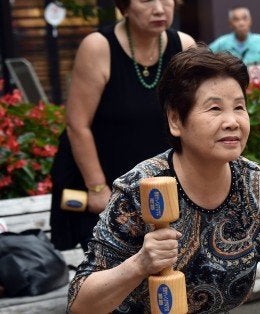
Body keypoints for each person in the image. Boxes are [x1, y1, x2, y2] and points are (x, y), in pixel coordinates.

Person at [67, 46, 260, 313]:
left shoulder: (259, 184)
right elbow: (80, 303)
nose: (232, 121)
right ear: (176, 120)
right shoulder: (140, 189)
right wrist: (140, 263)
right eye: (215, 108)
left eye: (239, 107)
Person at [49, 0, 195, 252]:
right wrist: (97, 189)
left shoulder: (184, 46)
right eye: (147, 0)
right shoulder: (98, 46)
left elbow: (192, 118)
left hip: (159, 189)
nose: (159, 8)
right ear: (124, 6)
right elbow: (77, 124)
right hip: (101, 186)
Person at [209, 5, 260, 81]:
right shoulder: (222, 43)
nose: (241, 23)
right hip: (231, 91)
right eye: (236, 19)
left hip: (256, 91)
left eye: (244, 18)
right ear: (230, 24)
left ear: (250, 21)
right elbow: (205, 57)